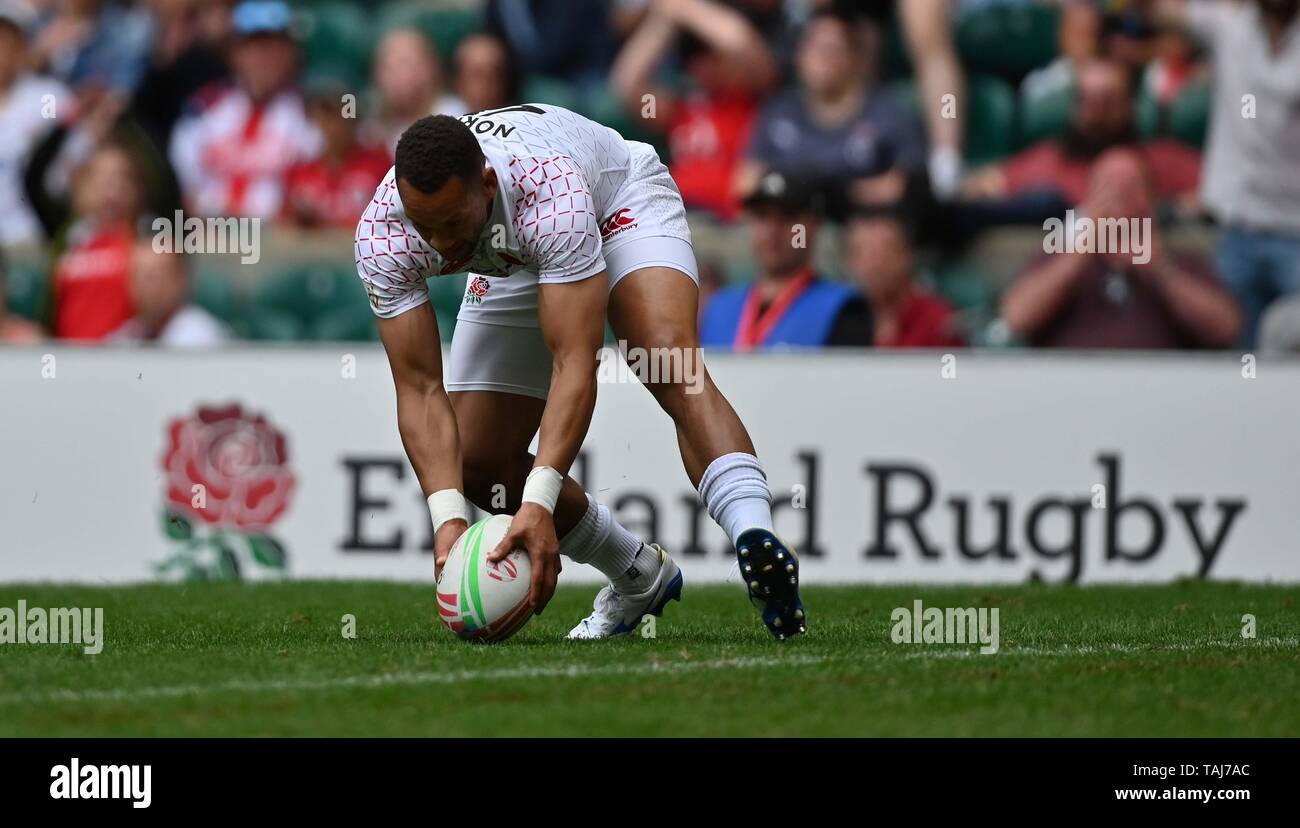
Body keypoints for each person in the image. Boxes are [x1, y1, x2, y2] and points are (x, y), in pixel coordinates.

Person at [355, 106, 806, 640]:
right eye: (423, 226)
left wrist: (539, 503)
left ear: (486, 183)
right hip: (512, 253)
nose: (439, 245)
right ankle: (639, 575)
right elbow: (420, 388)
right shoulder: (384, 232)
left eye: (451, 223)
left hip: (611, 203)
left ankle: (755, 536)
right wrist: (449, 516)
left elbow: (574, 361)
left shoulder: (549, 188)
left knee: (668, 359)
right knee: (475, 458)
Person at [1154, 0, 1300, 347]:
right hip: (1238, 231)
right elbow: (1155, 9)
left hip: (1296, 229)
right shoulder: (1228, 25)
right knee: (1236, 360)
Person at [999, 150, 1239, 349]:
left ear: (1152, 198)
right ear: (1088, 197)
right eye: (1107, 187)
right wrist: (1081, 252)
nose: (1118, 197)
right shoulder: (1058, 255)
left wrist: (1159, 269)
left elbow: (1227, 329)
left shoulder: (1181, 259)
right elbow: (1017, 318)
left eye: (1130, 187)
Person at [738, 8, 926, 218]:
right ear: (800, 55)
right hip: (789, 223)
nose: (823, 60)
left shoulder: (888, 113)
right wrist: (797, 191)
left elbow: (907, 185)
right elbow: (745, 184)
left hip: (857, 227)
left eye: (832, 50)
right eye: (814, 48)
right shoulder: (778, 111)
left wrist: (839, 193)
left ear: (855, 57)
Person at [610, 0, 779, 221]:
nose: (701, 64)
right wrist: (665, 20)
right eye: (692, 56)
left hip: (725, 224)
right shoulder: (683, 105)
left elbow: (739, 42)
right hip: (675, 215)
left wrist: (685, 7)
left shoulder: (753, 97)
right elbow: (626, 86)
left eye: (710, 54)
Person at [962, 58, 1201, 209]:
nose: (1096, 114)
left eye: (1108, 102)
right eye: (1087, 101)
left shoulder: (1163, 159)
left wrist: (1177, 208)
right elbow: (985, 184)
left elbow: (1219, 191)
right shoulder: (1050, 160)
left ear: (1130, 106)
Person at [169, 0, 321, 218]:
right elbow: (185, 181)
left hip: (281, 242)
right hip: (208, 235)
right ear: (234, 53)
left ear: (292, 54)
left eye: (277, 45)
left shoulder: (310, 114)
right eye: (255, 46)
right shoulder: (204, 109)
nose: (267, 57)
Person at [700, 170, 872, 348]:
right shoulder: (718, 308)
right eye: (762, 216)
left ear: (813, 227)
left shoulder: (844, 309)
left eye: (788, 217)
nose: (772, 230)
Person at [0, 3, 70, 247]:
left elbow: (66, 149)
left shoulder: (47, 96)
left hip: (31, 230)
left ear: (21, 46)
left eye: (6, 41)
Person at [282, 81, 393, 229]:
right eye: (326, 116)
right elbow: (284, 223)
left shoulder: (379, 166)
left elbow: (391, 221)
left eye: (340, 116)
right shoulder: (300, 171)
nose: (333, 126)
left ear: (354, 120)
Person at [846, 212, 963, 348]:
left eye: (884, 253)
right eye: (861, 254)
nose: (874, 265)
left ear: (907, 256)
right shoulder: (841, 321)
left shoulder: (939, 322)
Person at [110, 242, 231, 347]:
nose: (143, 287)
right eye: (137, 276)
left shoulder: (202, 336)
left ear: (179, 280)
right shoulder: (127, 336)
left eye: (152, 277)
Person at [368, 27, 466, 155]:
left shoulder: (455, 116)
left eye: (411, 64)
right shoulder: (370, 129)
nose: (403, 76)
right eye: (392, 67)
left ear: (433, 68)